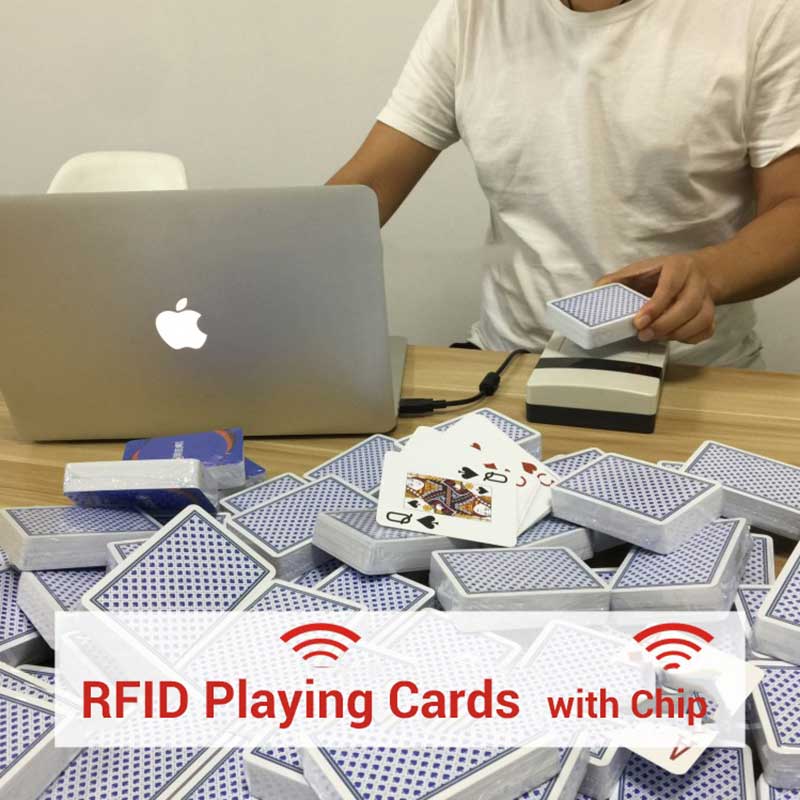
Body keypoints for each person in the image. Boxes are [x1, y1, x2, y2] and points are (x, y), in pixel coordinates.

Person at [328, 0, 800, 367]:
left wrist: (708, 274)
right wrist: (288, 268)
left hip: (695, 375)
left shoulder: (761, 14)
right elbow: (365, 187)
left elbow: (792, 206)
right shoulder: (472, 13)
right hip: (511, 367)